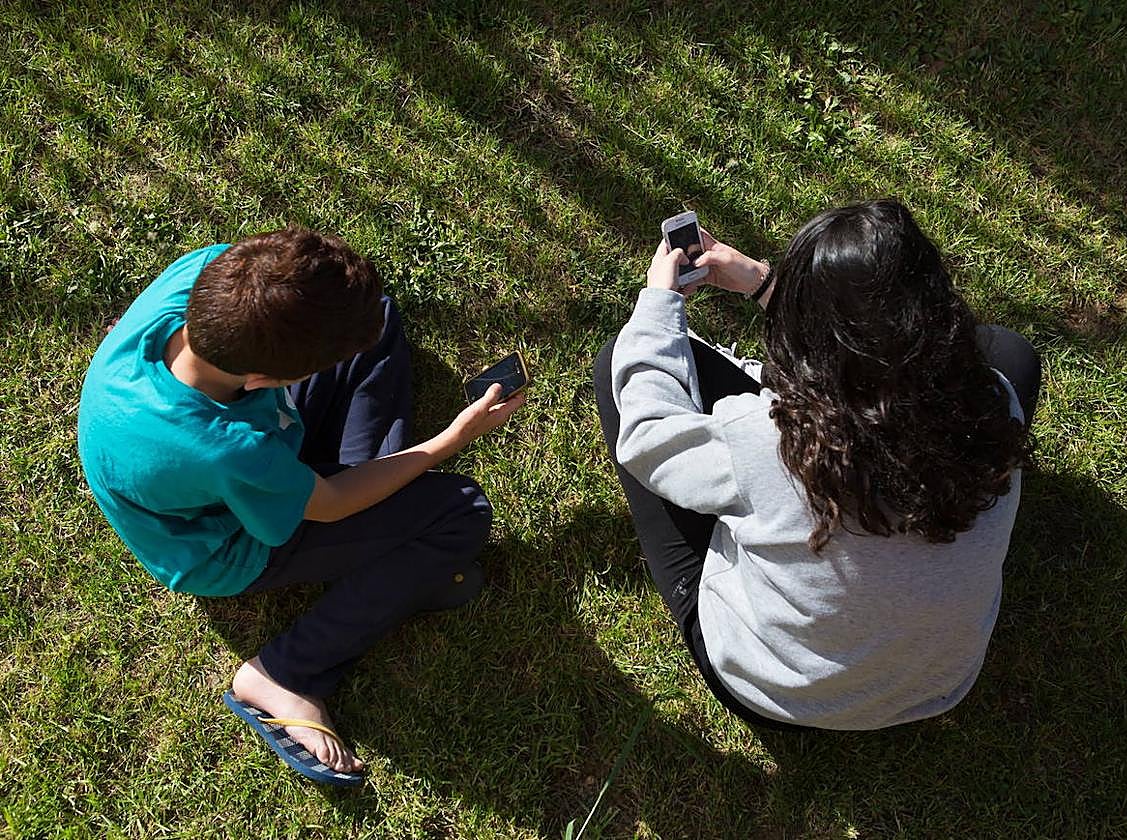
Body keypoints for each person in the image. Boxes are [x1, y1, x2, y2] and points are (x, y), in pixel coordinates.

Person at [78, 228, 524, 784]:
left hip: (246, 464)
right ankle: (285, 673)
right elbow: (331, 504)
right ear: (262, 380)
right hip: (226, 545)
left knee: (372, 320)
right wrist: (451, 439)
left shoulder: (205, 277)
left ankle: (383, 516)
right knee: (459, 509)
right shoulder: (230, 449)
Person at [594, 199, 1039, 730]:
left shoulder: (766, 441)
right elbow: (873, 347)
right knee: (1012, 351)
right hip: (937, 686)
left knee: (616, 369)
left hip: (776, 693)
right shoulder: (991, 400)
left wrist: (658, 305)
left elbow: (647, 437)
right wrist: (763, 283)